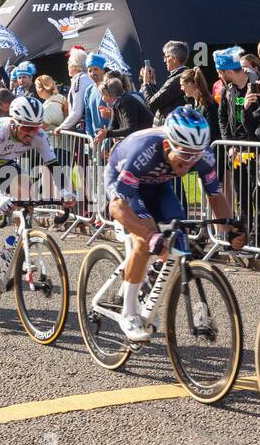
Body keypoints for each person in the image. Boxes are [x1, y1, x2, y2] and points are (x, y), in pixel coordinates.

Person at [103, 108, 244, 341]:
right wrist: (148, 237)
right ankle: (128, 313)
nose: (189, 163)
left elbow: (216, 196)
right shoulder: (145, 151)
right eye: (185, 155)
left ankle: (147, 281)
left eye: (195, 157)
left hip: (158, 184)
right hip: (125, 181)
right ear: (168, 147)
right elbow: (116, 207)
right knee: (144, 238)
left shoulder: (203, 157)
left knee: (178, 234)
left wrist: (230, 231)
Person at [0, 96, 69, 315]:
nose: (32, 134)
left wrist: (66, 191)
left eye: (35, 128)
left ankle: (12, 251)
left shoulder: (37, 134)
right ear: (14, 123)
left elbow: (53, 164)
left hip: (5, 164)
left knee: (28, 197)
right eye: (27, 128)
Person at [142, 41, 191, 124]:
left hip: (170, 128)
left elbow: (152, 104)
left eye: (167, 56)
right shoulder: (178, 76)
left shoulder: (177, 78)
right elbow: (162, 98)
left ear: (175, 58)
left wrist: (145, 84)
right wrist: (151, 84)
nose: (165, 60)